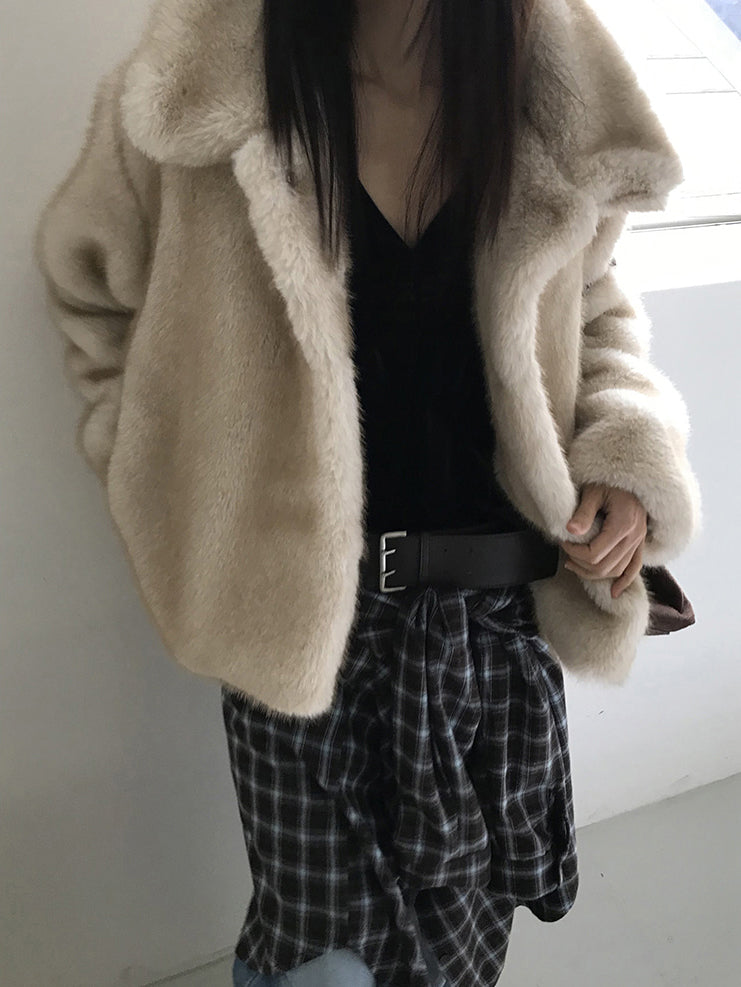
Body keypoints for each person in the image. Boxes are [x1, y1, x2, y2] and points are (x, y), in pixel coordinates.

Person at [32, 1, 702, 985]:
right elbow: (93, 292)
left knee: (462, 954)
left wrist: (622, 457)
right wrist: (167, 480)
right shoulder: (201, 90)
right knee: (319, 962)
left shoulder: (546, 96)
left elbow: (597, 306)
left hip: (493, 632)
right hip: (297, 625)